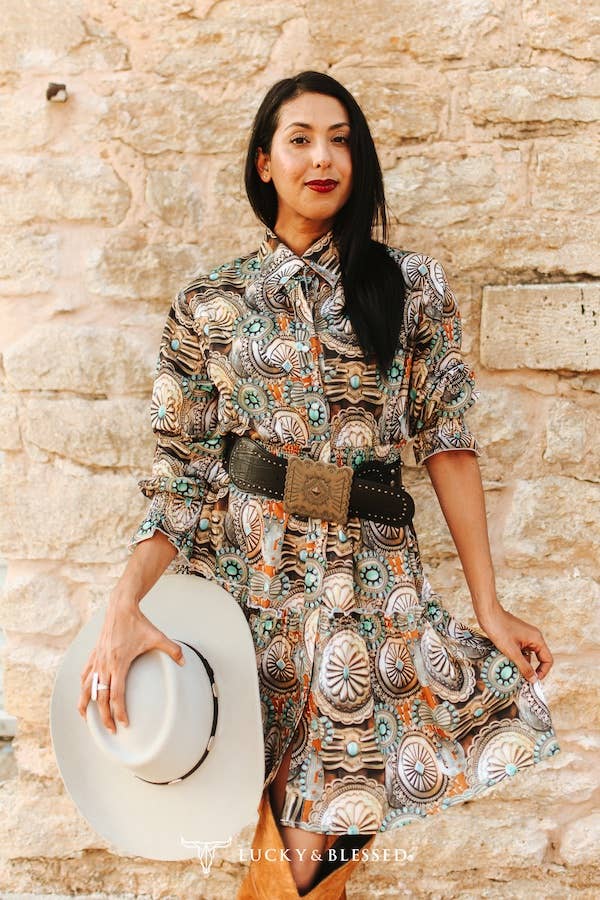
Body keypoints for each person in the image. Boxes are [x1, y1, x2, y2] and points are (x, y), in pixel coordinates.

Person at [77, 71, 561, 898]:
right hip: (253, 588)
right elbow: (179, 478)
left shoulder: (411, 288)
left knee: (317, 832)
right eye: (299, 140)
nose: (323, 158)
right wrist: (124, 604)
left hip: (370, 588)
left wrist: (488, 605)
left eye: (340, 140)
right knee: (288, 822)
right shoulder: (210, 304)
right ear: (264, 163)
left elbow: (447, 444)